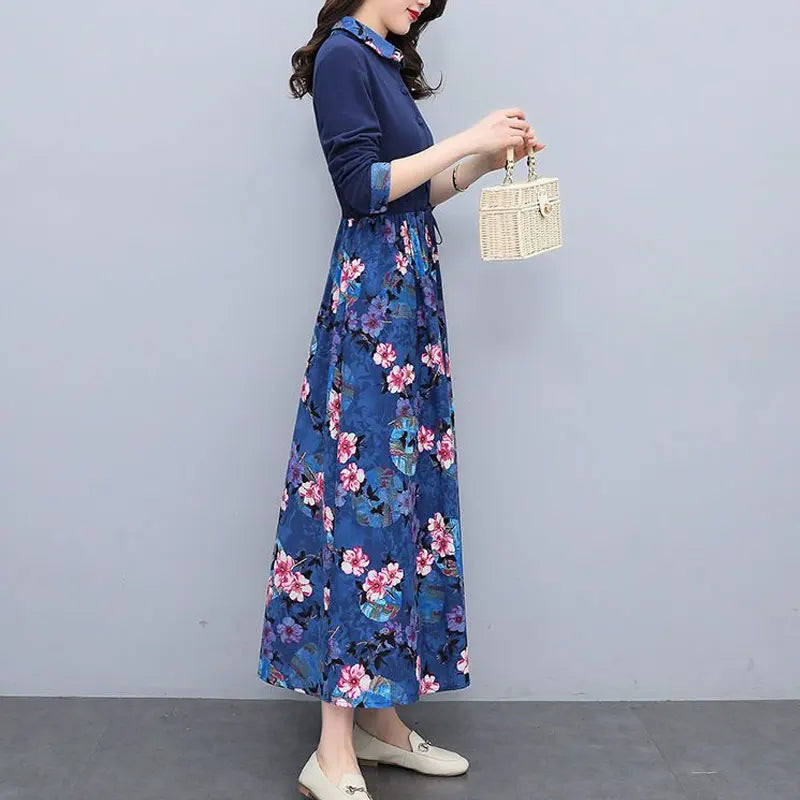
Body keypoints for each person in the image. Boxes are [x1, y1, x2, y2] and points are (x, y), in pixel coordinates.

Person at [258, 2, 544, 798]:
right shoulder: (343, 56)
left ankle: (381, 725)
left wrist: (481, 161)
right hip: (374, 308)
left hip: (407, 298)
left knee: (405, 504)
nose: (424, 2)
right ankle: (331, 749)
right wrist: (468, 135)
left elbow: (416, 192)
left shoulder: (379, 59)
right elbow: (362, 189)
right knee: (363, 511)